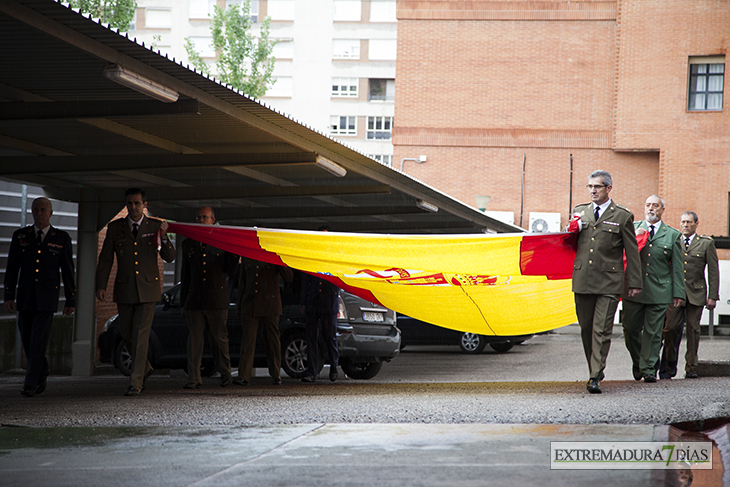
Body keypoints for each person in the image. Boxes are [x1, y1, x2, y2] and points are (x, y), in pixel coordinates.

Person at [95, 188, 175, 396]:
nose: (133, 207)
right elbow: (105, 259)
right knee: (128, 334)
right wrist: (101, 285)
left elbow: (169, 257)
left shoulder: (155, 226)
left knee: (140, 335)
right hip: (125, 288)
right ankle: (145, 368)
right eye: (129, 203)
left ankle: (136, 381)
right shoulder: (115, 228)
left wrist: (165, 238)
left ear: (144, 205)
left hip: (148, 290)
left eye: (137, 203)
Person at [569, 170, 642, 394]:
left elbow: (632, 251)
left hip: (609, 281)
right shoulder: (579, 212)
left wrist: (635, 282)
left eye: (597, 187)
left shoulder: (622, 215)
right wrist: (569, 230)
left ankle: (593, 376)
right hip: (583, 278)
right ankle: (596, 367)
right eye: (590, 186)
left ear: (608, 188)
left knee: (601, 330)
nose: (593, 190)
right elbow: (568, 244)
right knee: (586, 328)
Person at [4, 197, 76, 397]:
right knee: (27, 339)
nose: (39, 213)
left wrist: (71, 300)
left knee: (38, 341)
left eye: (43, 209)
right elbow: (12, 267)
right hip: (25, 296)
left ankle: (30, 383)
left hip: (46, 298)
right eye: (36, 209)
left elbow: (68, 271)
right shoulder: (21, 236)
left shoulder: (61, 238)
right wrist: (9, 294)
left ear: (50, 213)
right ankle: (42, 370)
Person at [622, 195, 684, 383]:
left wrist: (678, 293)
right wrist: (635, 236)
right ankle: (638, 361)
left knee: (654, 332)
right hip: (633, 289)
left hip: (659, 291)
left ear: (662, 210)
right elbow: (620, 254)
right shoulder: (631, 229)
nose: (651, 208)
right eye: (648, 205)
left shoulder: (672, 235)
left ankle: (649, 368)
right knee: (630, 329)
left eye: (655, 206)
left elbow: (677, 267)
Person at [180, 206, 239, 389]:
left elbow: (231, 271)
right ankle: (194, 378)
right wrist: (183, 303)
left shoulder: (221, 240)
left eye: (204, 217)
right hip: (195, 299)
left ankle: (225, 373)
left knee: (219, 339)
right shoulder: (188, 243)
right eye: (198, 217)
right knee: (194, 341)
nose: (201, 220)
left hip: (216, 298)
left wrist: (234, 249)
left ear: (212, 220)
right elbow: (185, 275)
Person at [659, 211, 719, 379]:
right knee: (670, 328)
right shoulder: (673, 240)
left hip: (696, 293)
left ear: (696, 224)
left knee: (693, 330)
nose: (685, 225)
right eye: (683, 222)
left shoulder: (706, 244)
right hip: (675, 294)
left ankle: (691, 367)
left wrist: (712, 296)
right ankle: (670, 365)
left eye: (689, 222)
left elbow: (713, 272)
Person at [234, 258, 293, 385]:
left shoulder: (272, 254)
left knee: (272, 341)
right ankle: (243, 376)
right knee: (248, 341)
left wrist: (279, 260)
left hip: (269, 305)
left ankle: (276, 374)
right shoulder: (247, 256)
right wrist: (239, 305)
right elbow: (242, 282)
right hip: (250, 304)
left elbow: (289, 277)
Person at [300, 226, 340, 383]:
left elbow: (339, 279)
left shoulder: (334, 256)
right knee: (311, 338)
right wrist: (303, 302)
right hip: (313, 301)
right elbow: (305, 281)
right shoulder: (310, 255)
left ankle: (334, 367)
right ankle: (312, 371)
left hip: (329, 301)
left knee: (330, 336)